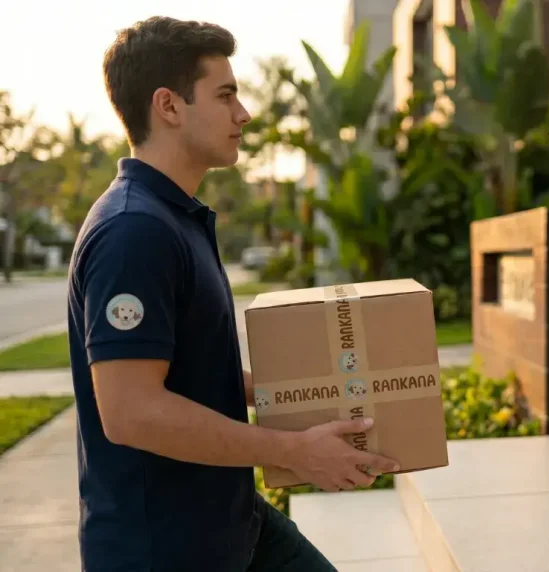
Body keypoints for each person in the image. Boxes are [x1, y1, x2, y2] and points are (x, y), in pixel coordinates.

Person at [66, 16, 400, 572]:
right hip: (164, 551)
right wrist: (294, 451)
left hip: (232, 522)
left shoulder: (175, 218)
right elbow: (132, 412)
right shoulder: (133, 232)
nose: (243, 114)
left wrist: (309, 394)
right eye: (225, 96)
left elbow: (191, 373)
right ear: (169, 106)